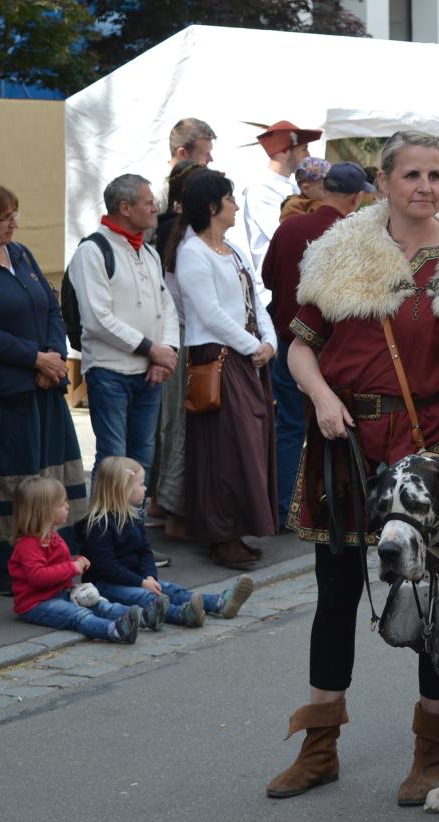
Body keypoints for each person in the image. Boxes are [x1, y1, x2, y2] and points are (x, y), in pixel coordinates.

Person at [268, 130, 439, 804]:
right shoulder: (342, 251)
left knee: (431, 599)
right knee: (335, 593)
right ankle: (320, 747)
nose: (425, 186)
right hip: (344, 445)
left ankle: (432, 752)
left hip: (426, 449)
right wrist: (322, 398)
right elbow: (300, 347)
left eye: (435, 175)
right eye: (411, 174)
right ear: (382, 182)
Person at [0, 182, 87, 597]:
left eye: (14, 214)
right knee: (14, 479)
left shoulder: (22, 254)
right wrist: (34, 358)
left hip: (45, 386)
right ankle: (3, 566)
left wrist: (53, 356)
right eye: (4, 218)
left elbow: (51, 309)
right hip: (7, 392)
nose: (14, 223)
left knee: (50, 473)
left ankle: (55, 556)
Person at [173, 170, 278, 568]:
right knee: (223, 449)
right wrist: (253, 345)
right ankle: (221, 534)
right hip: (217, 356)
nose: (235, 205)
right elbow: (209, 312)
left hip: (244, 356)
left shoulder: (231, 250)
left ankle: (238, 528)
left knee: (248, 444)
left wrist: (269, 342)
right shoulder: (192, 252)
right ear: (211, 205)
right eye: (229, 198)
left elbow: (255, 299)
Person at [261, 161, 373, 529]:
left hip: (287, 342)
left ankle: (285, 508)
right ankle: (328, 507)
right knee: (338, 428)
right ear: (356, 198)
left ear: (325, 189)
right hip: (334, 348)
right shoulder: (351, 236)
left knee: (291, 426)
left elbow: (267, 276)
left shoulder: (290, 226)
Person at [70, 174, 179, 481]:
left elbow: (166, 307)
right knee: (114, 459)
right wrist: (151, 349)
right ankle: (108, 515)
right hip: (109, 372)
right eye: (148, 202)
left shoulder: (149, 252)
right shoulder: (93, 251)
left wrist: (165, 353)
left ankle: (133, 514)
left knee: (142, 459)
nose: (155, 208)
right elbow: (97, 319)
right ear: (125, 208)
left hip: (148, 372)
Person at [80, 456, 255, 627]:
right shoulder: (99, 525)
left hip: (136, 578)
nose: (145, 488)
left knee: (171, 589)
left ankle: (218, 602)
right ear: (122, 490)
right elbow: (107, 567)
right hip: (106, 585)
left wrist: (150, 576)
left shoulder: (134, 517)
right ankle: (182, 615)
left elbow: (145, 552)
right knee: (148, 598)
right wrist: (141, 583)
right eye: (141, 484)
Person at [8, 475, 141, 644]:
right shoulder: (28, 544)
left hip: (61, 593)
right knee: (79, 615)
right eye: (61, 503)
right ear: (44, 511)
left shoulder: (52, 535)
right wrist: (72, 567)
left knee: (99, 604)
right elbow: (38, 576)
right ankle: (115, 630)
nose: (67, 506)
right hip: (36, 603)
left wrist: (76, 562)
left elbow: (57, 564)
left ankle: (140, 617)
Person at [151, 162, 205, 546]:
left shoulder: (177, 232)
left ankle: (162, 502)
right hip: (187, 339)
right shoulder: (188, 241)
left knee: (171, 424)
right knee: (181, 427)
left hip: (179, 337)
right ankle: (175, 509)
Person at [241, 121, 322, 276]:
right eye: (304, 149)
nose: (308, 156)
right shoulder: (260, 190)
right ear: (284, 153)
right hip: (275, 284)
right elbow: (287, 235)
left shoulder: (292, 185)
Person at [156, 118, 215, 212]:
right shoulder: (159, 190)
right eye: (205, 154)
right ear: (182, 153)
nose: (211, 159)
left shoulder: (201, 183)